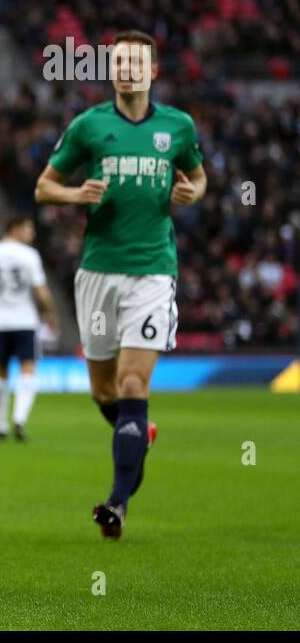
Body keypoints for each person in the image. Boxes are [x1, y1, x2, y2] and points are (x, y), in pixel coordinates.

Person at [35, 30, 206, 539]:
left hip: (153, 271)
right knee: (103, 390)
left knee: (134, 383)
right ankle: (138, 435)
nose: (128, 68)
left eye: (137, 62)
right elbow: (44, 188)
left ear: (153, 71)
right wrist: (76, 195)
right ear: (110, 71)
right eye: (119, 61)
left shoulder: (178, 126)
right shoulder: (90, 126)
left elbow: (198, 178)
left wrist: (190, 192)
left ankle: (117, 503)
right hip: (97, 272)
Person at [0, 216, 58, 441]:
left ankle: (0, 426)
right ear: (15, 228)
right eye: (29, 229)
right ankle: (19, 419)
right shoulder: (29, 255)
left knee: (0, 373)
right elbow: (41, 290)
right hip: (25, 322)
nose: (32, 234)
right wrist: (51, 314)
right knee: (28, 370)